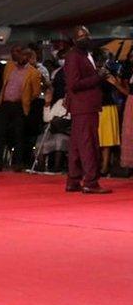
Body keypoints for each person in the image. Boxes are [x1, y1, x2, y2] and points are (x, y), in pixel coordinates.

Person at [64, 26, 111, 194]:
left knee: (77, 145)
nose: (86, 38)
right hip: (84, 106)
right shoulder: (74, 56)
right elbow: (74, 84)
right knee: (88, 144)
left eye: (87, 34)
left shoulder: (83, 55)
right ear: (74, 39)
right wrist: (97, 77)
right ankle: (90, 182)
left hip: (82, 106)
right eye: (82, 35)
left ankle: (73, 180)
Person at [0, 47, 41, 172]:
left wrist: (25, 99)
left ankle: (18, 162)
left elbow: (36, 93)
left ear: (26, 56)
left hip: (20, 105)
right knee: (0, 133)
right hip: (5, 103)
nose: (15, 57)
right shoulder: (9, 66)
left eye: (18, 54)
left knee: (18, 134)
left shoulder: (34, 72)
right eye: (13, 54)